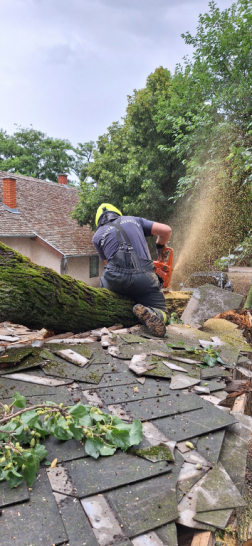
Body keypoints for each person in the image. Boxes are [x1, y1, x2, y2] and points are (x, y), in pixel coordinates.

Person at [92, 203, 172, 337]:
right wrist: (160, 246)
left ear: (99, 221)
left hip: (114, 279)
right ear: (118, 213)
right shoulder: (135, 220)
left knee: (103, 296)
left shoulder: (96, 237)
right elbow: (166, 230)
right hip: (144, 277)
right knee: (164, 314)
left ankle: (101, 315)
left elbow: (109, 263)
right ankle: (151, 313)